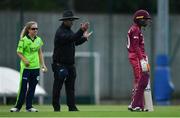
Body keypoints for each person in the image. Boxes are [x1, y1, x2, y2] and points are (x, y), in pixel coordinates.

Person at [52, 10, 92, 112]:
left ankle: (72, 107)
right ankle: (56, 108)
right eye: (70, 20)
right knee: (58, 87)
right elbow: (71, 38)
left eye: (72, 20)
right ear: (64, 21)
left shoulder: (69, 31)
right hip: (60, 65)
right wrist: (81, 30)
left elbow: (75, 41)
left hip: (70, 65)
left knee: (70, 88)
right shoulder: (60, 32)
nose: (72, 22)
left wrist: (84, 38)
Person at [10, 21, 47, 112]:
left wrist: (43, 65)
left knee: (32, 87)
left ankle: (29, 107)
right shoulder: (23, 40)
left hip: (35, 68)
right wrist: (25, 60)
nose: (35, 30)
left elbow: (40, 53)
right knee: (23, 87)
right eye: (33, 29)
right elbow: (19, 52)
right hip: (26, 68)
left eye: (36, 28)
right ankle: (17, 107)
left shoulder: (38, 40)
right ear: (28, 30)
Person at [126, 9, 151, 111]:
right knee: (142, 80)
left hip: (137, 56)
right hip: (136, 56)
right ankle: (135, 104)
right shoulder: (135, 29)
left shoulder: (136, 28)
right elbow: (136, 47)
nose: (146, 21)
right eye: (145, 19)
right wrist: (141, 59)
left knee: (140, 80)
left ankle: (138, 104)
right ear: (139, 19)